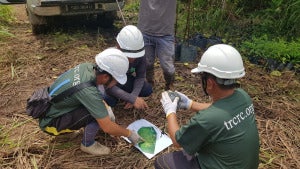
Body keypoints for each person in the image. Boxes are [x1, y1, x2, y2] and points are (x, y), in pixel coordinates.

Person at [156, 44, 260, 169]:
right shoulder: (243, 96)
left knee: (162, 162)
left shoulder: (206, 120)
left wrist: (170, 111)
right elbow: (221, 109)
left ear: (210, 83)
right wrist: (190, 104)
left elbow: (177, 141)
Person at [39, 48, 143, 155]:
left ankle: (67, 130)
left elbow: (95, 93)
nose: (115, 83)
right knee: (96, 113)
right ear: (106, 76)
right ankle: (87, 144)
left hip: (51, 110)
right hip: (50, 123)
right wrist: (129, 134)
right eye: (115, 80)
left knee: (100, 107)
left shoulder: (88, 67)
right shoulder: (88, 91)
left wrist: (105, 107)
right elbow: (107, 127)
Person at [103, 25, 153, 110]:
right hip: (108, 84)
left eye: (135, 56)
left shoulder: (141, 55)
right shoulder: (109, 57)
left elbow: (140, 77)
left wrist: (134, 95)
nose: (132, 59)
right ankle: (118, 96)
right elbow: (107, 85)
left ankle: (122, 95)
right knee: (110, 101)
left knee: (147, 89)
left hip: (124, 80)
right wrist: (131, 98)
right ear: (118, 47)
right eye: (129, 56)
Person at [137, 0, 176, 90]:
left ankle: (169, 84)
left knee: (168, 68)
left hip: (165, 34)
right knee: (147, 62)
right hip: (145, 31)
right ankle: (150, 81)